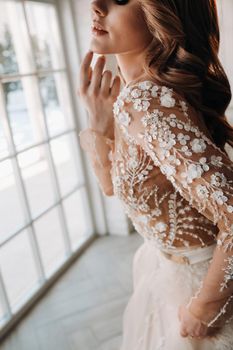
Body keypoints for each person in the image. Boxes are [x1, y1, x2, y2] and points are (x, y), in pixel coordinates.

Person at [77, 0, 233, 349]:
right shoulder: (134, 95)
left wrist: (205, 308)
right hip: (164, 274)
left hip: (202, 291)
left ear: (163, 13)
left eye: (119, 0)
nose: (96, 6)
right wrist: (100, 125)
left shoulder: (147, 101)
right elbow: (113, 187)